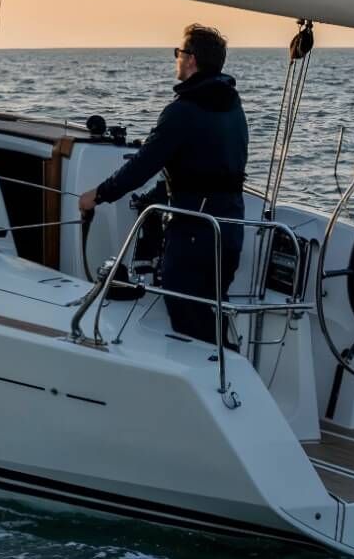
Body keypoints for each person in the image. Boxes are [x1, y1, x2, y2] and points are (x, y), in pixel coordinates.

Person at [77, 25, 249, 344]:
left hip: (194, 233)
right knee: (208, 311)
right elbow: (209, 169)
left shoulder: (182, 111)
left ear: (191, 59)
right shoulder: (233, 107)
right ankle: (225, 369)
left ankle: (207, 382)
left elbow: (141, 166)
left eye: (179, 53)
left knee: (187, 315)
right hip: (229, 228)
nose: (177, 59)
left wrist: (97, 195)